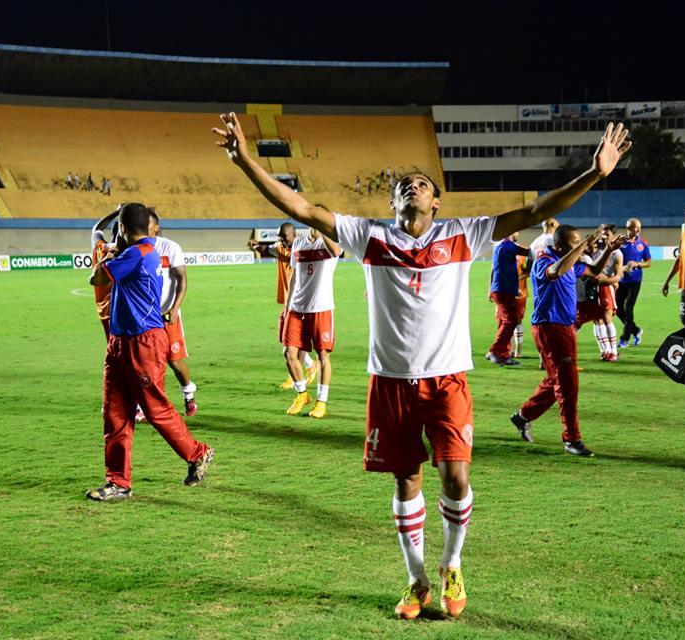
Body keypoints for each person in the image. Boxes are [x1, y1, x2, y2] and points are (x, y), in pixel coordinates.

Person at [214, 112, 630, 620]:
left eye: (423, 184)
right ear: (393, 202)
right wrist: (245, 163)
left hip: (447, 378)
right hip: (389, 381)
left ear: (438, 201)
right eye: (404, 185)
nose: (413, 187)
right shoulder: (368, 236)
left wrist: (595, 173)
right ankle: (416, 581)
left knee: (456, 477)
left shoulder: (464, 234)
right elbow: (301, 207)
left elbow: (535, 209)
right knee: (405, 481)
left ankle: (453, 564)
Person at [86, 203, 214, 501]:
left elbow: (96, 279)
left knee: (155, 409)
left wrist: (110, 252)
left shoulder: (138, 253)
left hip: (142, 343)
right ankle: (118, 482)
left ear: (122, 229)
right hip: (121, 342)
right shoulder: (144, 252)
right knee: (114, 412)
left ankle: (198, 453)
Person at [512, 224, 622, 451]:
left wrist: (609, 250)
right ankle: (571, 438)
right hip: (549, 327)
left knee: (557, 381)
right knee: (568, 384)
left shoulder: (572, 263)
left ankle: (523, 416)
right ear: (560, 245)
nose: (581, 247)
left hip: (564, 327)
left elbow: (594, 274)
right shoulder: (545, 260)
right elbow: (556, 272)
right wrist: (582, 246)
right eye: (575, 243)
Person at [282, 226, 343, 418]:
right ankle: (302, 394)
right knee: (289, 353)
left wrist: (324, 231)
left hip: (321, 308)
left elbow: (336, 252)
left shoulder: (331, 241)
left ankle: (321, 401)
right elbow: (293, 277)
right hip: (296, 308)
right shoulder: (298, 243)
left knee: (322, 355)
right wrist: (287, 305)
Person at [248, 224, 319, 387]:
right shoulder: (280, 247)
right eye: (279, 236)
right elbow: (266, 250)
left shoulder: (304, 247)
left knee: (295, 342)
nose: (281, 239)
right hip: (288, 301)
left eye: (284, 236)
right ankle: (308, 367)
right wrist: (256, 245)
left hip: (302, 301)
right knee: (286, 340)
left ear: (294, 234)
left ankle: (297, 377)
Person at [148, 211, 199, 417]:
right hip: (147, 317)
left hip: (168, 315)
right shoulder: (137, 249)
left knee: (174, 361)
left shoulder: (169, 247)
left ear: (156, 227)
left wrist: (175, 308)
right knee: (148, 362)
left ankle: (189, 393)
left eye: (147, 225)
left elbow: (182, 279)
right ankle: (146, 405)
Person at [575, 226, 623, 361]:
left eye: (607, 234)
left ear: (613, 235)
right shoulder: (594, 253)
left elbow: (617, 276)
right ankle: (605, 350)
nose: (604, 237)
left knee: (606, 319)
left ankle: (613, 351)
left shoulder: (616, 253)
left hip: (604, 289)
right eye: (602, 235)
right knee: (597, 320)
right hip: (589, 291)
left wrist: (607, 280)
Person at [486, 232, 528, 366]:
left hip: (501, 290)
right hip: (503, 291)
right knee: (510, 321)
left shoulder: (500, 246)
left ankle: (502, 353)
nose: (518, 233)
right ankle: (495, 351)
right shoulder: (509, 246)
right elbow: (530, 252)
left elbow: (496, 270)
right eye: (516, 230)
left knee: (507, 321)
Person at [616, 217, 651, 348]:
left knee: (628, 308)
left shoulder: (643, 244)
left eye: (638, 228)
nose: (636, 230)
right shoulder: (620, 242)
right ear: (627, 228)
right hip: (621, 279)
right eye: (633, 227)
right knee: (617, 308)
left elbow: (648, 262)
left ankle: (624, 338)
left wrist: (638, 264)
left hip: (635, 280)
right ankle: (636, 330)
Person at [90, 206, 121, 340]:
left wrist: (116, 213)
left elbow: (96, 228)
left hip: (102, 308)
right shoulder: (124, 252)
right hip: (118, 308)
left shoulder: (99, 247)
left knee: (112, 346)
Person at [511, 253, 529, 358]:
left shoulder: (521, 257)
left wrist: (515, 279)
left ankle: (517, 349)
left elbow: (527, 271)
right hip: (508, 292)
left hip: (519, 293)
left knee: (516, 321)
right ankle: (510, 350)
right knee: (508, 321)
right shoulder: (503, 252)